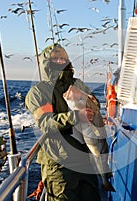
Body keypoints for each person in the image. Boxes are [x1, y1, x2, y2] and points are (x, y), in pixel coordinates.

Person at [25, 43, 102, 201]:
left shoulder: (77, 84)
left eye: (63, 58)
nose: (60, 61)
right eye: (55, 58)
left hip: (85, 159)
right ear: (46, 62)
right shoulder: (38, 92)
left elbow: (96, 105)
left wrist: (91, 104)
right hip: (59, 164)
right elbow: (46, 123)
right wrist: (75, 116)